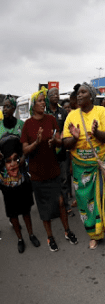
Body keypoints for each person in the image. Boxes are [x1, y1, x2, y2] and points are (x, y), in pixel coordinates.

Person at [62, 82, 105, 250]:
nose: (79, 95)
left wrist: (96, 133)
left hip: (100, 164)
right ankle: (94, 234)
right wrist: (74, 138)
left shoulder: (101, 111)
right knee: (85, 201)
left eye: (83, 92)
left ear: (91, 96)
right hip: (81, 167)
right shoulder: (72, 116)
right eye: (78, 93)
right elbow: (66, 143)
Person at [21, 88, 78, 252]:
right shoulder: (28, 125)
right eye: (39, 101)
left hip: (53, 170)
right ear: (33, 105)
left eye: (43, 100)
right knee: (44, 208)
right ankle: (50, 236)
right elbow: (25, 150)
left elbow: (60, 140)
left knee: (60, 202)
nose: (42, 103)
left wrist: (55, 141)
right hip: (37, 174)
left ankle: (67, 231)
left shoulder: (51, 119)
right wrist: (36, 143)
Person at [0, 135, 38, 253]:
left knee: (26, 213)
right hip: (7, 190)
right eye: (8, 161)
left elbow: (25, 155)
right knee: (13, 216)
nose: (12, 164)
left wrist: (22, 159)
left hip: (22, 187)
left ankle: (31, 235)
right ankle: (20, 239)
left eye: (14, 159)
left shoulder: (20, 156)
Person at [46, 87, 74, 216]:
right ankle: (53, 207)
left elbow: (68, 128)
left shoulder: (63, 112)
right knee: (51, 180)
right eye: (53, 94)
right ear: (48, 97)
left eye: (57, 94)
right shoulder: (44, 112)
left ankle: (66, 206)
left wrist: (62, 136)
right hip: (48, 152)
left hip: (62, 150)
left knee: (63, 179)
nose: (56, 96)